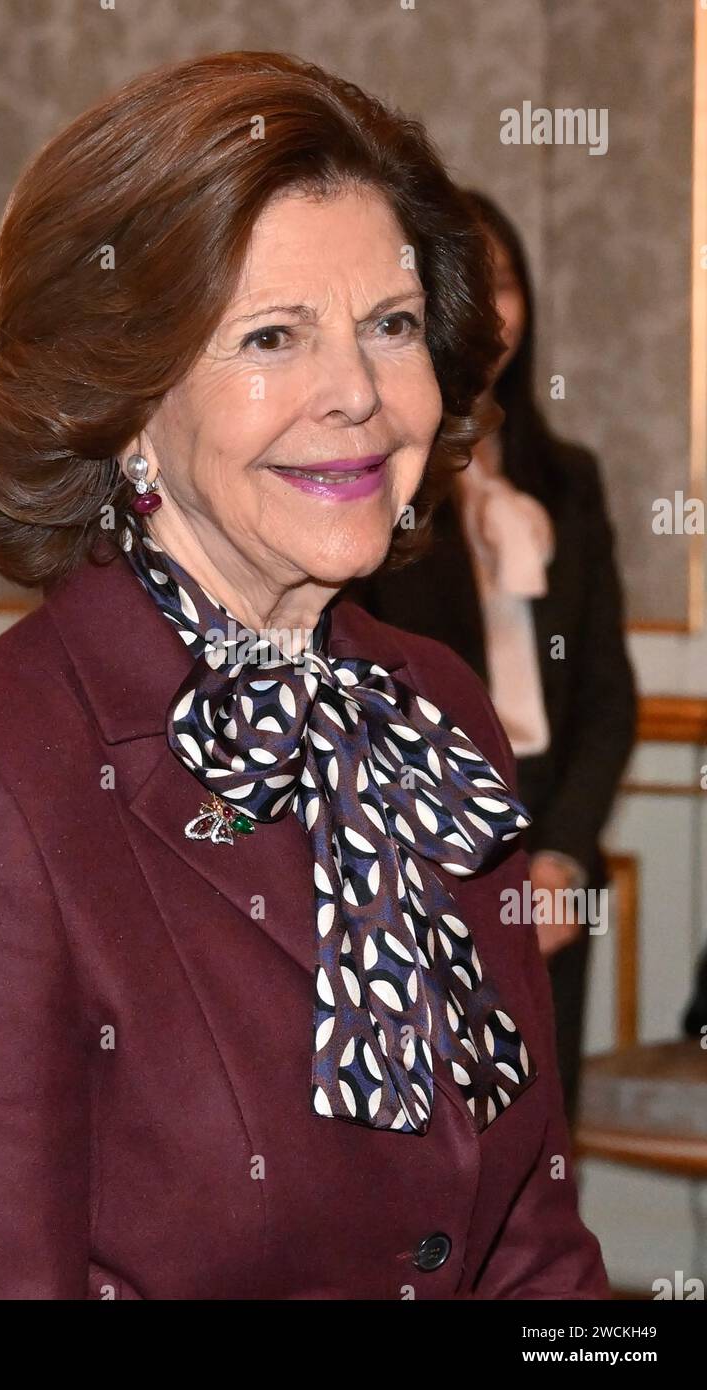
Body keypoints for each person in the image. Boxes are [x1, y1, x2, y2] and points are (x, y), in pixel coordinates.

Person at [0, 52, 610, 1299]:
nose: (354, 392)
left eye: (388, 327)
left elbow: (531, 1248)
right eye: (269, 335)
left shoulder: (437, 711)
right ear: (126, 400)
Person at [348, 190, 638, 1130]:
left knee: (544, 1135)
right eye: (464, 283)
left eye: (505, 281)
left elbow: (607, 694)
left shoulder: (570, 479)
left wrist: (557, 859)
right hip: (422, 855)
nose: (490, 305)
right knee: (433, 1141)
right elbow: (368, 693)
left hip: (553, 840)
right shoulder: (370, 480)